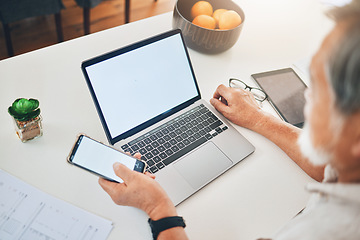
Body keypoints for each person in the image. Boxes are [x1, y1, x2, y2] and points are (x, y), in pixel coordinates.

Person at [99, 1, 360, 239]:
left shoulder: (329, 231)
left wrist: (158, 209)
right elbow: (328, 166)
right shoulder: (351, 166)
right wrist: (258, 119)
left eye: (318, 88)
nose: (307, 94)